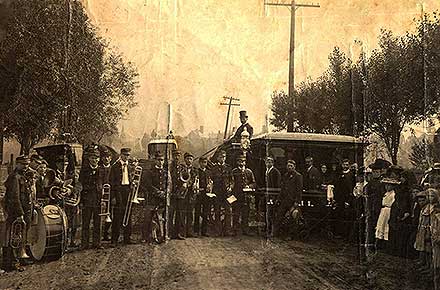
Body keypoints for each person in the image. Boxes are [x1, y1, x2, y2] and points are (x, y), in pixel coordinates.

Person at [1, 156, 32, 272]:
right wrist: (20, 213)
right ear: (17, 164)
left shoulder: (23, 176)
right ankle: (11, 263)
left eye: (27, 164)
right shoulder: (14, 177)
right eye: (23, 164)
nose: (26, 167)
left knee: (20, 237)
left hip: (24, 210)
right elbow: (15, 197)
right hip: (16, 212)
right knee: (13, 237)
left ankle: (17, 260)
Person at [141, 152, 169, 243]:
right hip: (152, 198)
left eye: (162, 160)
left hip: (163, 199)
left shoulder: (166, 172)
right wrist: (158, 192)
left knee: (162, 218)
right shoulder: (150, 172)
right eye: (158, 160)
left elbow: (169, 185)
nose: (160, 162)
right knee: (148, 218)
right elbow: (148, 185)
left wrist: (165, 193)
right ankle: (145, 237)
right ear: (155, 160)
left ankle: (162, 235)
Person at [110, 148, 134, 246]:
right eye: (125, 155)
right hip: (118, 191)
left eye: (128, 155)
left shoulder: (129, 166)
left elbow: (130, 178)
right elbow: (111, 183)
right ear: (121, 155)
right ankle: (114, 240)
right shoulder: (115, 167)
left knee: (128, 214)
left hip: (127, 191)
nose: (126, 157)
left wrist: (132, 184)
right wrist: (113, 197)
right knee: (117, 216)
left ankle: (127, 238)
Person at [79, 148, 102, 250]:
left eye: (97, 158)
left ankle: (96, 243)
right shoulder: (84, 171)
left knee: (97, 223)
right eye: (93, 158)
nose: (95, 160)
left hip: (98, 200)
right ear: (89, 159)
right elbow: (81, 185)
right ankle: (84, 244)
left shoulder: (101, 170)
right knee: (86, 223)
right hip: (87, 200)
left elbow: (105, 184)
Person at [274, 160, 303, 238]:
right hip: (284, 200)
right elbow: (282, 189)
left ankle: (290, 235)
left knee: (291, 218)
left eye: (291, 166)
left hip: (292, 201)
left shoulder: (298, 176)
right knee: (279, 216)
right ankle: (275, 234)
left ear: (294, 167)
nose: (289, 167)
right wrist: (278, 199)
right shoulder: (285, 175)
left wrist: (297, 202)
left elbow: (299, 190)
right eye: (288, 166)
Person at [231, 155, 256, 236]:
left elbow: (254, 183)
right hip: (236, 195)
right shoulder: (234, 171)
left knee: (246, 213)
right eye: (240, 161)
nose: (242, 163)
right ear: (237, 162)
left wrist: (249, 186)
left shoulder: (249, 172)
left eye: (243, 161)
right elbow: (231, 182)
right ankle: (235, 230)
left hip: (246, 196)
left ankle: (245, 229)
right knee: (236, 213)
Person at [211, 150, 233, 236]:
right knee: (217, 211)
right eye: (221, 157)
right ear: (217, 158)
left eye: (224, 157)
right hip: (217, 193)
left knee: (228, 211)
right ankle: (217, 231)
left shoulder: (228, 168)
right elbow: (211, 180)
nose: (222, 159)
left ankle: (227, 230)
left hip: (227, 194)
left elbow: (232, 180)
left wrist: (230, 187)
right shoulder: (214, 168)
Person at [375, 176, 400, 250]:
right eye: (386, 185)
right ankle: (379, 241)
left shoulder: (394, 194)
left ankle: (386, 243)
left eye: (389, 185)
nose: (387, 187)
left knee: (386, 226)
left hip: (389, 211)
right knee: (380, 225)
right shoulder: (385, 193)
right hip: (383, 210)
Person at [332, 159, 355, 239]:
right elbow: (337, 187)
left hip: (347, 199)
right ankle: (339, 233)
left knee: (346, 217)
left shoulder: (351, 175)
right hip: (339, 198)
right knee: (339, 215)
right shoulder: (340, 174)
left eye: (346, 164)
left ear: (349, 165)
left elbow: (351, 189)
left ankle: (346, 235)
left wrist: (348, 201)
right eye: (344, 164)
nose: (345, 166)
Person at [194, 156, 212, 237]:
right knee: (197, 212)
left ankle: (204, 231)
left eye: (205, 162)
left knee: (206, 213)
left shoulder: (209, 172)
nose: (204, 164)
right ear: (199, 163)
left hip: (206, 194)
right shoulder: (196, 171)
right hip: (198, 194)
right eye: (202, 162)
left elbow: (211, 182)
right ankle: (196, 230)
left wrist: (210, 186)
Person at [263, 156, 281, 237]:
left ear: (273, 163)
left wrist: (275, 196)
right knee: (267, 212)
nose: (268, 163)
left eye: (270, 162)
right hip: (267, 195)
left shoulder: (275, 172)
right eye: (267, 162)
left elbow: (277, 185)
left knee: (272, 213)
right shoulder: (266, 171)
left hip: (273, 195)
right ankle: (267, 228)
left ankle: (273, 231)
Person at [182, 152, 198, 238]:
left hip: (191, 194)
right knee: (183, 213)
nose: (189, 160)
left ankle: (189, 231)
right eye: (187, 158)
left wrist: (192, 184)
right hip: (183, 193)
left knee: (190, 213)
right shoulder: (181, 169)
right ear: (185, 160)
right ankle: (182, 232)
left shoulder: (195, 170)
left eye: (191, 159)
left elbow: (195, 179)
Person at [99, 149, 113, 241]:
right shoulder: (99, 169)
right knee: (99, 215)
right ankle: (98, 235)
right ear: (102, 158)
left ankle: (106, 233)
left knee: (109, 214)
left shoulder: (113, 169)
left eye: (108, 157)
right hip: (100, 194)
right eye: (104, 157)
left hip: (110, 194)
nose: (106, 159)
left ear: (111, 158)